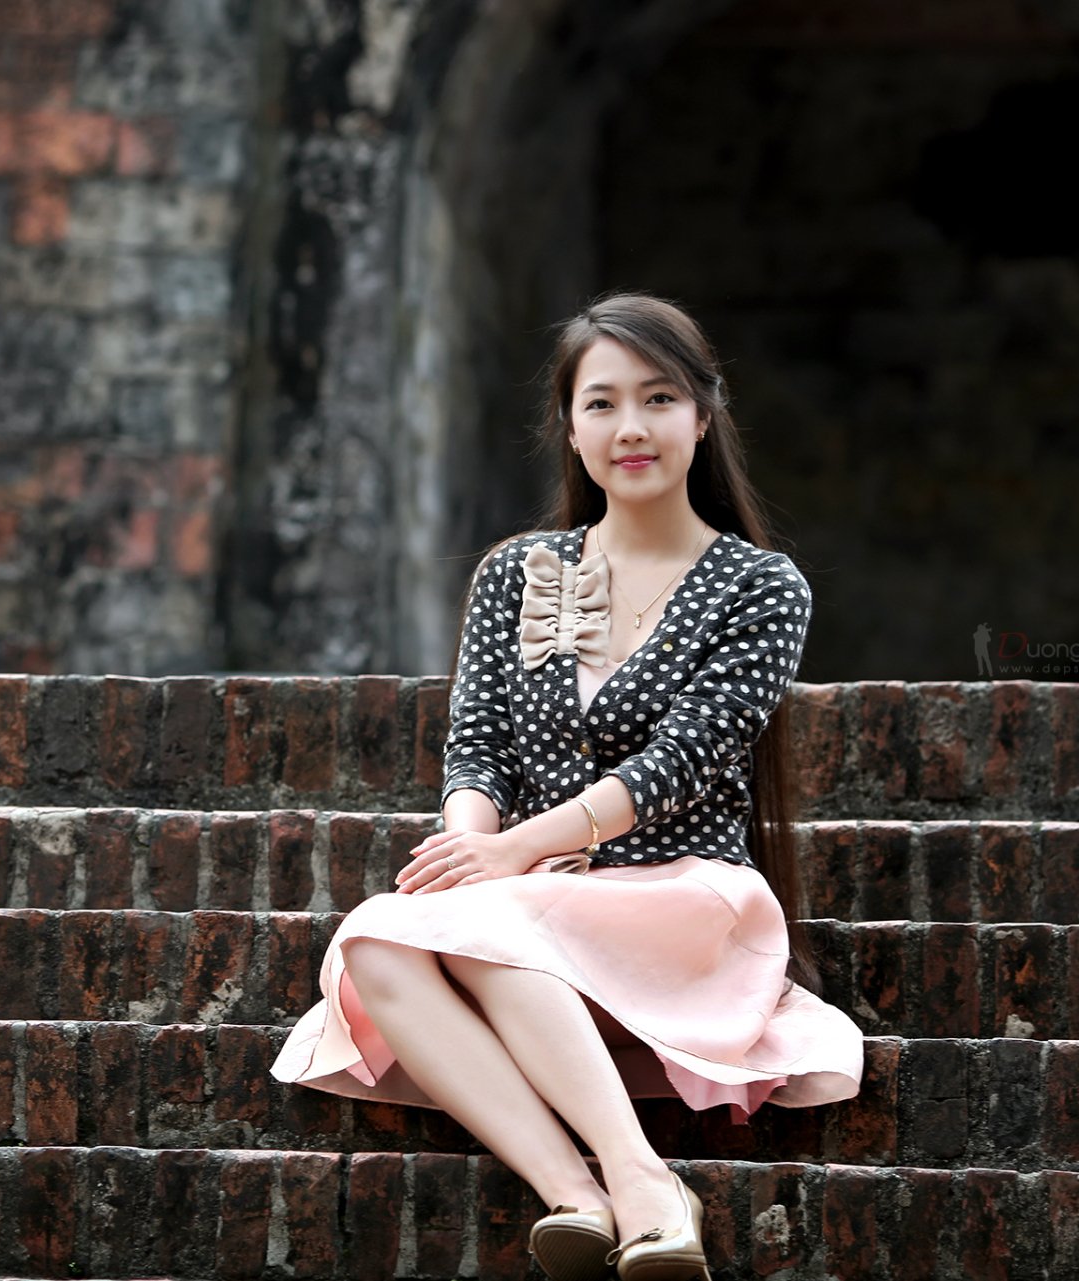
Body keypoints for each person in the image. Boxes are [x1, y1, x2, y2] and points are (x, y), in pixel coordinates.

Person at [269, 291, 865, 1280]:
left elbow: (687, 757)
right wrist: (470, 848)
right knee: (379, 943)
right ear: (571, 426)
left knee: (497, 922)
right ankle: (577, 1194)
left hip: (681, 896)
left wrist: (514, 853)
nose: (630, 427)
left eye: (658, 398)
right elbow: (478, 750)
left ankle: (645, 1183)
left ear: (703, 416)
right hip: (539, 908)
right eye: (602, 404)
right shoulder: (520, 573)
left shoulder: (762, 587)